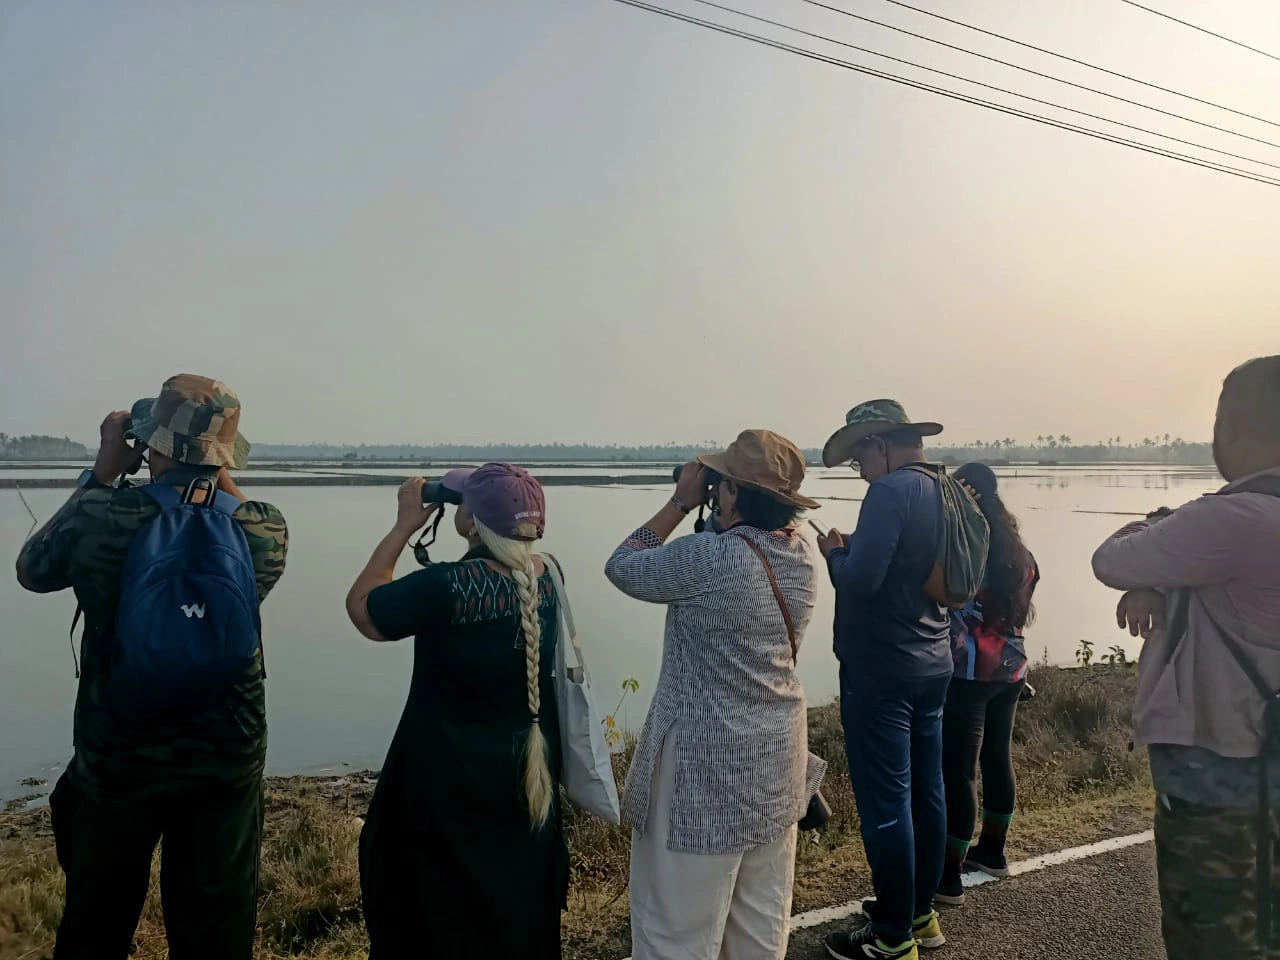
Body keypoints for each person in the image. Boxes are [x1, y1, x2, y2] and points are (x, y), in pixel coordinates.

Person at [14, 375, 288, 960]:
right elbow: (228, 505)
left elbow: (32, 570)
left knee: (97, 916)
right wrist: (208, 467)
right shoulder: (266, 530)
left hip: (119, 751)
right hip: (227, 751)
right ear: (225, 453)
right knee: (216, 923)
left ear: (151, 443)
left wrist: (103, 469)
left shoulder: (101, 516)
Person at [604, 429, 822, 960]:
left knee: (675, 935)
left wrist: (680, 503)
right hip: (776, 765)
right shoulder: (802, 557)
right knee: (757, 930)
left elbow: (623, 565)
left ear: (732, 493)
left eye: (721, 482)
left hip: (701, 781)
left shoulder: (710, 558)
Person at [1092, 356, 1280, 960]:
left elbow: (1111, 560)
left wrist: (1153, 539)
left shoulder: (1233, 519)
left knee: (1213, 932)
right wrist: (1166, 579)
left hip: (1222, 770)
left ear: (1231, 426)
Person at [345, 463, 567, 960]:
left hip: (444, 793)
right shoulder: (548, 577)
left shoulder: (448, 587)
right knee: (513, 907)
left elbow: (362, 608)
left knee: (439, 915)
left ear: (470, 522)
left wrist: (403, 527)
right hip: (525, 780)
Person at [816, 400, 951, 960]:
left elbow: (860, 582)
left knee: (887, 800)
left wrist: (834, 554)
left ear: (879, 443)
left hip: (883, 670)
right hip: (934, 660)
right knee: (927, 791)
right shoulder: (944, 487)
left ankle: (893, 937)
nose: (860, 470)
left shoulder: (890, 491)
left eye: (859, 458)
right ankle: (919, 914)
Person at [937, 463, 1039, 906]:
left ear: (965, 495)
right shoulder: (1021, 554)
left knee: (959, 771)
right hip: (1011, 671)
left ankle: (947, 876)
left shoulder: (968, 547)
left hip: (970, 673)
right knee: (996, 758)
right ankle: (993, 851)